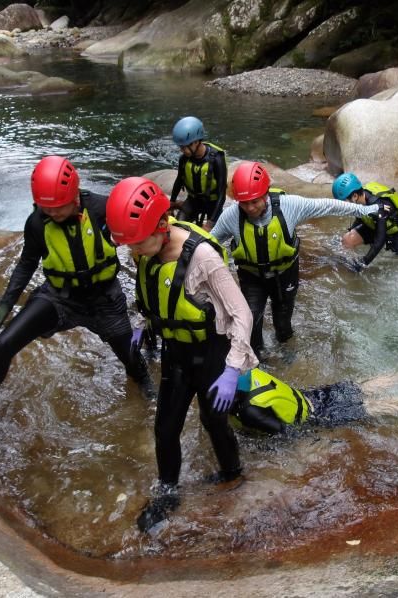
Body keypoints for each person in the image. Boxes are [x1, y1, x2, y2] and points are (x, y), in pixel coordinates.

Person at [0, 156, 154, 427]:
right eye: (46, 208)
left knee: (130, 357)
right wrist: (6, 303)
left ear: (74, 195)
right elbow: (27, 263)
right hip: (59, 298)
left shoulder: (101, 208)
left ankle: (148, 391)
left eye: (59, 207)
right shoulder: (37, 222)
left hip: (104, 298)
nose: (53, 214)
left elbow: (141, 231)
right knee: (4, 344)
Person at [105, 176, 258, 533]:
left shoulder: (203, 257)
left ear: (160, 226)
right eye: (128, 245)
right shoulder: (148, 246)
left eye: (137, 243)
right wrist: (147, 322)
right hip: (177, 352)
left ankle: (233, 475)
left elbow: (242, 314)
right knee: (165, 427)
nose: (133, 252)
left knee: (213, 420)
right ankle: (168, 494)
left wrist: (234, 369)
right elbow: (159, 290)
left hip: (212, 354)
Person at [210, 161, 382, 357]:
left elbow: (327, 206)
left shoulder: (289, 206)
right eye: (244, 202)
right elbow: (210, 242)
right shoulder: (231, 216)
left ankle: (285, 352)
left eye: (254, 201)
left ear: (266, 194)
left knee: (283, 322)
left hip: (285, 275)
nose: (249, 208)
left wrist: (366, 210)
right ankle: (257, 357)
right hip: (252, 278)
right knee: (251, 321)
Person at [230, 367, 398, 435]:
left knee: (368, 409)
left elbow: (286, 432)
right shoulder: (245, 375)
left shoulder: (249, 411)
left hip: (316, 415)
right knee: (359, 388)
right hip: (310, 396)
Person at [332, 172, 398, 271]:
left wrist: (363, 263)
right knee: (347, 240)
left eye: (343, 201)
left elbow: (380, 240)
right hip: (375, 223)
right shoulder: (360, 200)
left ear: (354, 196)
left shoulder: (379, 206)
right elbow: (360, 217)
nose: (342, 205)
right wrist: (351, 231)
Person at [169, 116, 228, 231]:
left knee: (210, 237)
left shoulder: (216, 159)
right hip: (194, 200)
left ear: (196, 142)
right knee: (178, 226)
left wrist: (210, 223)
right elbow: (179, 180)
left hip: (213, 202)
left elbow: (222, 193)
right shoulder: (184, 159)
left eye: (185, 147)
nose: (182, 151)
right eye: (180, 147)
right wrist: (171, 202)